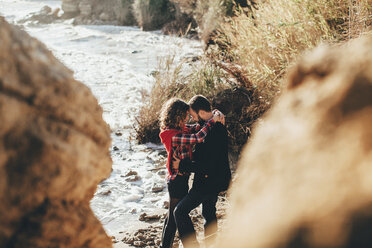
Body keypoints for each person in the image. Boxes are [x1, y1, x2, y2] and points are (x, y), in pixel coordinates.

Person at [158, 98, 224, 248]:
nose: (188, 119)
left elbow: (195, 128)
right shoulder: (173, 135)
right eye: (185, 116)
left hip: (180, 178)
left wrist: (213, 114)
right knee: (174, 218)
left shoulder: (180, 129)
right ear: (177, 116)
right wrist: (212, 122)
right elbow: (198, 137)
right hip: (177, 181)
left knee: (171, 217)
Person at [173, 95, 231, 247]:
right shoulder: (211, 124)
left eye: (193, 115)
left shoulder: (213, 131)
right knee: (209, 213)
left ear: (201, 112)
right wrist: (216, 113)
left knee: (179, 212)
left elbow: (207, 165)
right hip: (215, 180)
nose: (192, 119)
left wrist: (182, 164)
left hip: (208, 181)